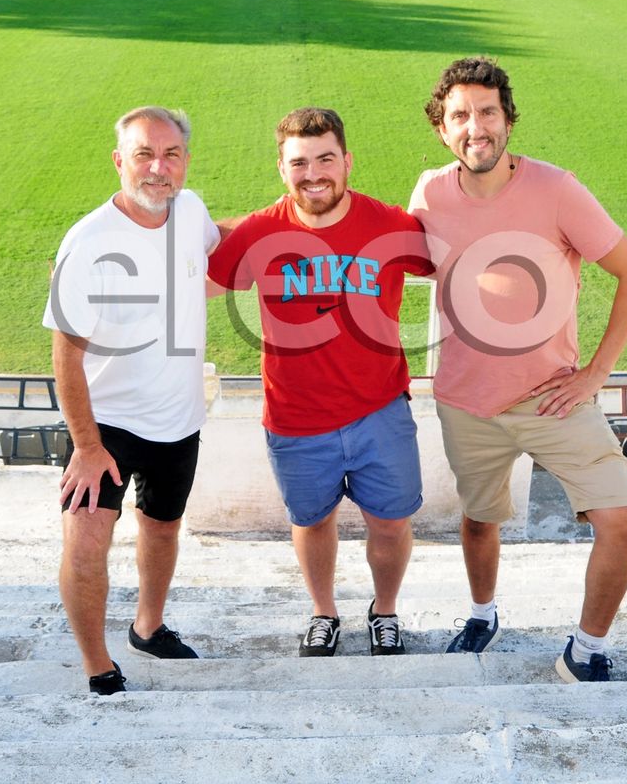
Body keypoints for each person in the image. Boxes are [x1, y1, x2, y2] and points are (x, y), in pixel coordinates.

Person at [408, 57, 627, 683]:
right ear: (443, 128)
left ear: (508, 119)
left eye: (487, 112)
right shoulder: (430, 192)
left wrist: (595, 375)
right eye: (460, 115)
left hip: (553, 400)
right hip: (465, 401)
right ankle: (482, 613)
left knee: (623, 523)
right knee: (479, 519)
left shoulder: (556, 189)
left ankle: (586, 649)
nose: (475, 128)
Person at [209, 107, 431, 657]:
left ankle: (384, 610)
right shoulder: (260, 231)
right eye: (300, 163)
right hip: (296, 417)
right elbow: (191, 279)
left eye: (326, 158)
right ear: (281, 170)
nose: (314, 174)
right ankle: (323, 612)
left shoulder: (391, 225)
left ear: (347, 161)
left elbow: (460, 251)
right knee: (311, 520)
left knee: (392, 522)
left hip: (380, 408)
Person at [45, 106, 220, 696]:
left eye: (170, 155)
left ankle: (148, 627)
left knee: (163, 528)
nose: (157, 168)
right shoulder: (88, 241)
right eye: (144, 154)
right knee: (87, 541)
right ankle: (98, 667)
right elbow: (65, 354)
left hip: (178, 419)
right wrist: (87, 446)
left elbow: (216, 255)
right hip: (107, 425)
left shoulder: (192, 213)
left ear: (186, 163)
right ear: (120, 161)